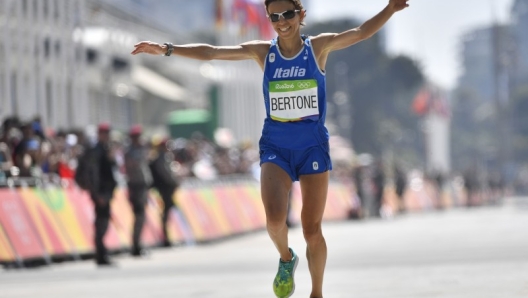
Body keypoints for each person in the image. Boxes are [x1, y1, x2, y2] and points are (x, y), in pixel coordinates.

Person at [131, 0, 409, 296]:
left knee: (311, 230)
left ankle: (317, 292)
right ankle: (286, 259)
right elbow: (211, 53)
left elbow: (361, 32)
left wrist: (390, 9)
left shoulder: (318, 48)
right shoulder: (264, 51)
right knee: (275, 220)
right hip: (276, 145)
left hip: (312, 146)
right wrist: (167, 49)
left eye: (288, 14)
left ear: (301, 15)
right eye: (274, 16)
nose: (282, 21)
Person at [88, 123, 118, 266]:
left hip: (106, 192)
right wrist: (97, 194)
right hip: (100, 193)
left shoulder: (106, 150)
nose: (107, 136)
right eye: (104, 133)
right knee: (101, 223)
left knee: (104, 222)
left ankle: (101, 252)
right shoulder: (96, 151)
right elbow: (94, 174)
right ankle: (100, 254)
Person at [124, 125, 153, 257]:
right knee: (139, 216)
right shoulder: (130, 151)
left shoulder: (141, 149)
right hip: (136, 186)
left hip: (142, 186)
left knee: (141, 217)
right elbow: (132, 165)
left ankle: (138, 243)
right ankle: (135, 245)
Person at [149, 137, 180, 247]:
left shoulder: (164, 157)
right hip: (165, 188)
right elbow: (166, 174)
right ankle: (165, 238)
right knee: (165, 213)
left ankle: (166, 237)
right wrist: (174, 182)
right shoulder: (161, 158)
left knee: (167, 212)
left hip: (166, 187)